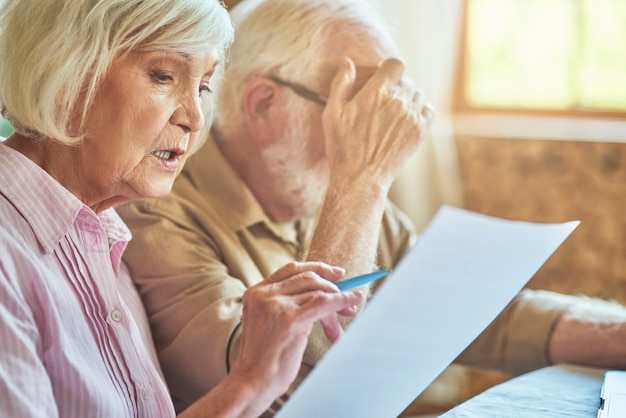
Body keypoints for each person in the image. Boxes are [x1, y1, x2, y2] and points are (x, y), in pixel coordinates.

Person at [118, 0, 626, 415]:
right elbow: (290, 392)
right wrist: (360, 180)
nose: (388, 129)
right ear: (264, 106)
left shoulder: (331, 194)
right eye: (362, 105)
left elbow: (475, 312)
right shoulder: (155, 213)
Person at [0, 0, 367, 417]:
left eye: (203, 87)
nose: (194, 117)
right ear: (62, 71)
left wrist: (252, 379)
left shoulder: (104, 240)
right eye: (163, 76)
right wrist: (247, 384)